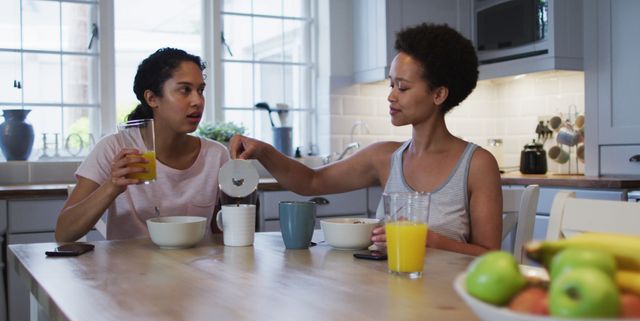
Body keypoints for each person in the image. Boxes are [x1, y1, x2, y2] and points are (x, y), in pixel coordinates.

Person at [229, 23, 502, 256]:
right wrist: (264, 152)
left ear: (439, 94)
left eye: (403, 87)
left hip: (449, 299)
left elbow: (489, 255)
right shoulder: (384, 158)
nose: (391, 96)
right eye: (391, 84)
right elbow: (311, 182)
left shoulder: (477, 164)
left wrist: (430, 241)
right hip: (390, 290)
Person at [56, 47, 229, 241]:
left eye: (200, 90)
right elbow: (63, 233)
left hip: (194, 269)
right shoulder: (115, 148)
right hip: (129, 270)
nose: (198, 101)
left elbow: (220, 237)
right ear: (152, 98)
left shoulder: (216, 155)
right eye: (184, 90)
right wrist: (112, 186)